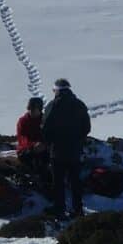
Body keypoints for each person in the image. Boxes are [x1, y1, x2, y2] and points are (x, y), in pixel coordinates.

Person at [41, 78, 91, 216]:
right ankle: (78, 209)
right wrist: (78, 139)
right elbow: (87, 127)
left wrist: (49, 142)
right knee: (75, 181)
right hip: (75, 150)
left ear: (56, 90)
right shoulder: (79, 104)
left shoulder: (52, 105)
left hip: (57, 151)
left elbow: (45, 128)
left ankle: (59, 208)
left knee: (58, 182)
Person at [16, 96, 49, 187]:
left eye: (34, 109)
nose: (32, 111)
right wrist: (33, 145)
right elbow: (22, 138)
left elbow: (50, 135)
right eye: (30, 109)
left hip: (43, 148)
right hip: (26, 149)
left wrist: (44, 144)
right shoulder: (23, 121)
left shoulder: (45, 120)